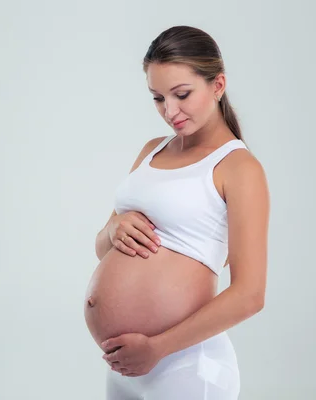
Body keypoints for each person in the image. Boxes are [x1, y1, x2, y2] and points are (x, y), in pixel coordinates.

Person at [85, 25, 269, 400]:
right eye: (157, 98)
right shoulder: (152, 150)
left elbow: (250, 294)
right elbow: (104, 246)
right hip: (126, 368)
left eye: (182, 94)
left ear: (218, 85)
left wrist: (156, 348)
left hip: (185, 367)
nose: (170, 111)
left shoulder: (238, 168)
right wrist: (114, 228)